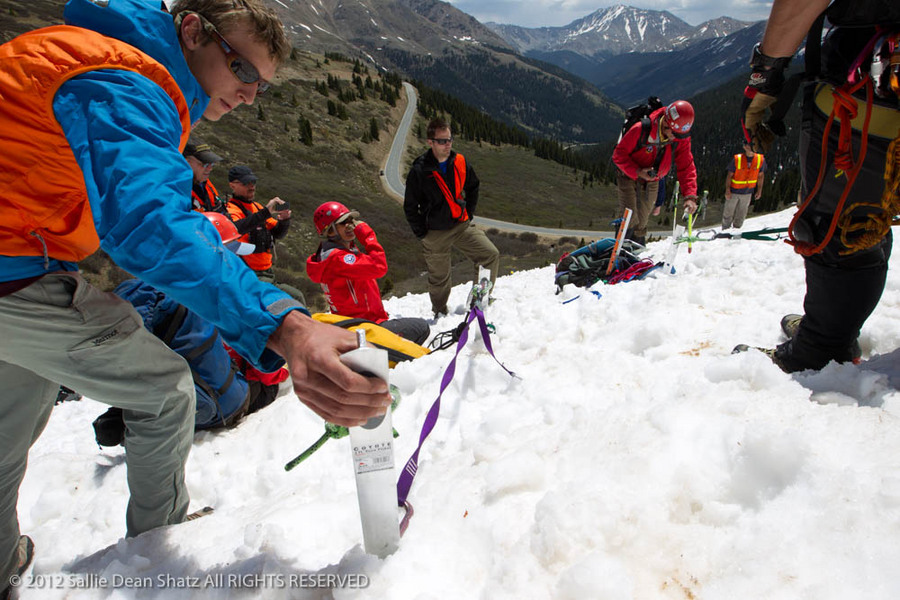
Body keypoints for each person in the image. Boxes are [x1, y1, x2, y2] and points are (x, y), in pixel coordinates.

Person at [0, 0, 390, 594]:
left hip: (20, 251)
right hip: (16, 269)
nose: (252, 94)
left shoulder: (89, 57)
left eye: (262, 83)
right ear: (190, 31)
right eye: (244, 71)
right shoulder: (120, 80)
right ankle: (157, 552)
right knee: (162, 391)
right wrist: (285, 326)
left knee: (10, 423)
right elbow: (148, 226)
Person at [737, 0, 899, 372]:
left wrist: (766, 74)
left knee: (843, 223)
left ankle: (822, 347)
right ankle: (829, 329)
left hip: (868, 95)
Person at [403, 118, 500, 317]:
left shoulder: (460, 162)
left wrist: (469, 213)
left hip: (461, 225)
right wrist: (423, 233)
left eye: (449, 140)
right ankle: (439, 313)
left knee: (490, 254)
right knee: (440, 278)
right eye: (442, 141)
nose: (447, 145)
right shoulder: (420, 171)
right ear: (430, 142)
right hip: (435, 232)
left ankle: (478, 300)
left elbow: (473, 186)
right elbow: (410, 206)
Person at [307, 202, 431, 345]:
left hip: (354, 326)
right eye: (343, 222)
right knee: (421, 328)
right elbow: (379, 267)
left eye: (350, 221)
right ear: (330, 231)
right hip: (363, 329)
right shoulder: (339, 259)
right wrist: (367, 235)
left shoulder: (335, 255)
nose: (350, 225)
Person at [612, 100, 700, 245]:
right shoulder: (641, 129)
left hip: (653, 180)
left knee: (643, 218)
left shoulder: (680, 137)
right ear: (666, 123)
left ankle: (636, 249)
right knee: (629, 215)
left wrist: (690, 196)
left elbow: (686, 165)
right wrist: (638, 171)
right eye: (675, 133)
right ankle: (621, 248)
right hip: (628, 175)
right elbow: (618, 155)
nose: (676, 137)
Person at [723, 141, 766, 230]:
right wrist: (727, 190)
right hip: (734, 191)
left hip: (748, 192)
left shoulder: (760, 159)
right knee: (728, 213)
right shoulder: (737, 159)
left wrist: (759, 190)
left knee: (741, 214)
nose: (750, 147)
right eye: (748, 145)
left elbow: (761, 176)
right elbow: (729, 175)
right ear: (744, 147)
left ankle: (736, 231)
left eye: (752, 145)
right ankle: (725, 231)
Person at [184, 137, 226, 213]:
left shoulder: (206, 185)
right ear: (186, 162)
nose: (210, 168)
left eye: (212, 164)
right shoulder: (175, 193)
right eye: (205, 164)